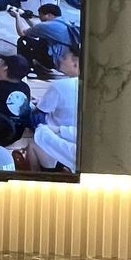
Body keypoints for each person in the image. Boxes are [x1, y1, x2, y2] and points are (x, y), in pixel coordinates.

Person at [32, 43, 81, 172]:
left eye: (64, 57)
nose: (60, 59)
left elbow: (39, 113)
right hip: (75, 136)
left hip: (55, 134)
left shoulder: (60, 85)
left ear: (76, 64)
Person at [10, 1, 82, 73]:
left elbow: (22, 33)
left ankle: (25, 67)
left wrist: (17, 16)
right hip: (67, 59)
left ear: (49, 15)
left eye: (41, 15)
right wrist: (26, 18)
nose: (39, 18)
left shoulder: (46, 26)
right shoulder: (64, 22)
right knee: (42, 37)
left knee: (23, 40)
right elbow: (37, 29)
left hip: (55, 61)